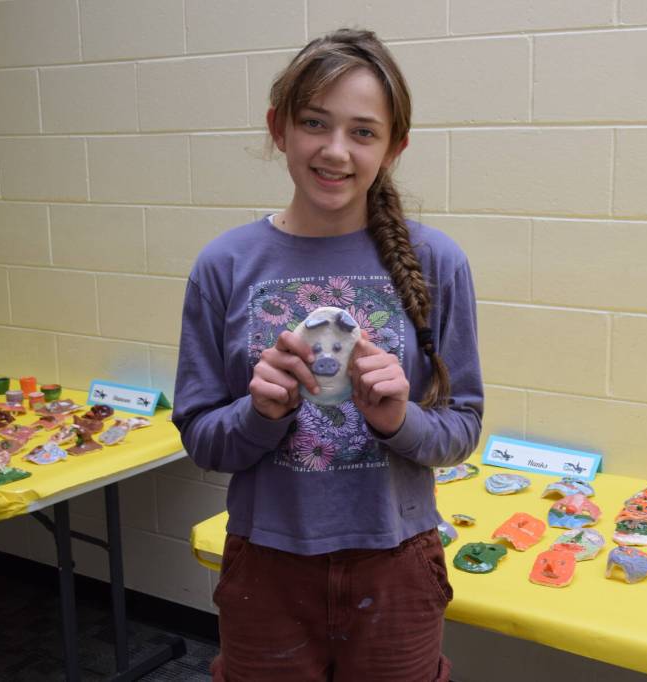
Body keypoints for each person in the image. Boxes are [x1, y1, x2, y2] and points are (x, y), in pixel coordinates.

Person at [172, 28, 483, 681]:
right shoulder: (224, 265)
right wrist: (259, 413)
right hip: (267, 567)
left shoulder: (438, 263)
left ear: (394, 147)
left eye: (363, 132)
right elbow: (202, 439)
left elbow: (460, 432)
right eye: (315, 123)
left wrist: (398, 418)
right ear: (278, 128)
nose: (336, 150)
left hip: (396, 566)